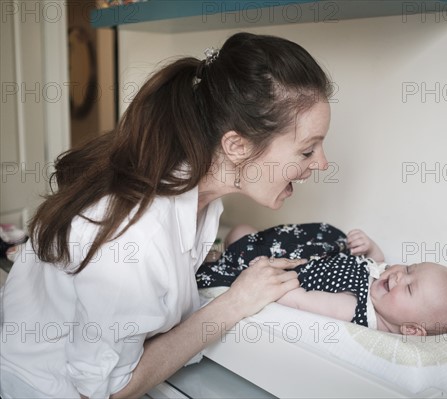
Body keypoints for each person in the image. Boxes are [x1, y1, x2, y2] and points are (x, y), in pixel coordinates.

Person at [0, 32, 333, 398]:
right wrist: (233, 304)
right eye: (306, 151)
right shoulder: (134, 236)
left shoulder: (200, 199)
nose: (322, 163)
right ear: (236, 145)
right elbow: (103, 391)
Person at [197, 223, 447, 336]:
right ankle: (219, 249)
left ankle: (213, 258)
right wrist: (371, 247)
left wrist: (265, 277)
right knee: (243, 231)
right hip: (310, 252)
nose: (400, 275)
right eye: (411, 268)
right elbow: (377, 264)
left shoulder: (355, 310)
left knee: (240, 235)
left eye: (410, 287)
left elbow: (301, 300)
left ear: (411, 329)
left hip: (279, 267)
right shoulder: (384, 287)